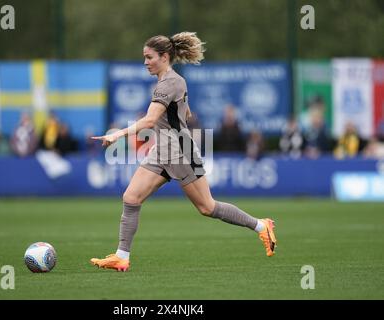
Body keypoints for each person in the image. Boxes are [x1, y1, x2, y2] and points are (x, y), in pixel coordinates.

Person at [90, 32, 277, 272]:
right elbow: (179, 113)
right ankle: (121, 256)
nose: (145, 62)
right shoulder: (168, 81)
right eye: (144, 58)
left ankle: (262, 226)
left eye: (149, 57)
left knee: (207, 207)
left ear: (164, 56)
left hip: (180, 150)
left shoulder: (170, 82)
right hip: (162, 150)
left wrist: (117, 134)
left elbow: (150, 120)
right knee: (131, 198)